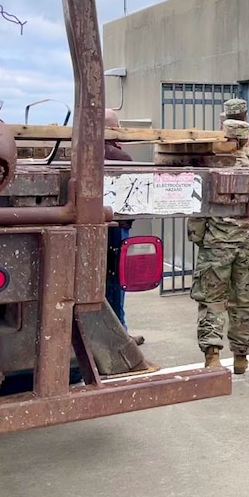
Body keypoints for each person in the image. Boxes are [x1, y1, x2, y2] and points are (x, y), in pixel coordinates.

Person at [187, 119, 249, 374]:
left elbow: (196, 213)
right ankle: (241, 357)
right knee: (245, 302)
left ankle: (212, 356)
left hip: (216, 245)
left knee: (212, 301)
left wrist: (201, 239)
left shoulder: (210, 173)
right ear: (248, 141)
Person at [103, 108, 144, 346]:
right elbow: (133, 196)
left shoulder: (81, 152)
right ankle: (119, 334)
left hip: (87, 226)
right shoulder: (121, 157)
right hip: (116, 228)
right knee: (117, 280)